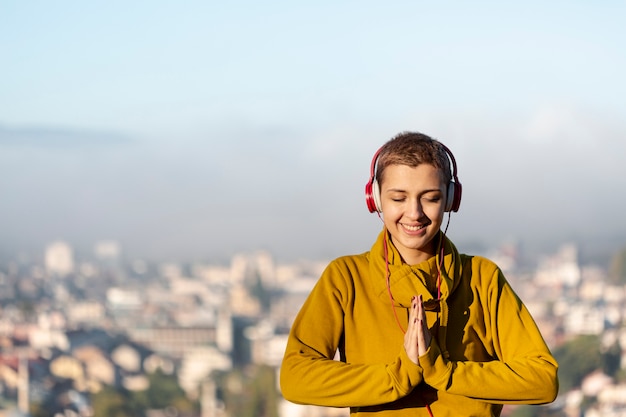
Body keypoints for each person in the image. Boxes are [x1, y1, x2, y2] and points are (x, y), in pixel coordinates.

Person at [279, 131, 558, 416]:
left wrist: (443, 372)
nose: (414, 213)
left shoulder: (481, 278)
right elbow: (295, 378)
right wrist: (397, 377)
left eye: (430, 198)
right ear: (375, 199)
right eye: (398, 198)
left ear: (451, 198)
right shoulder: (346, 277)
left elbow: (543, 380)